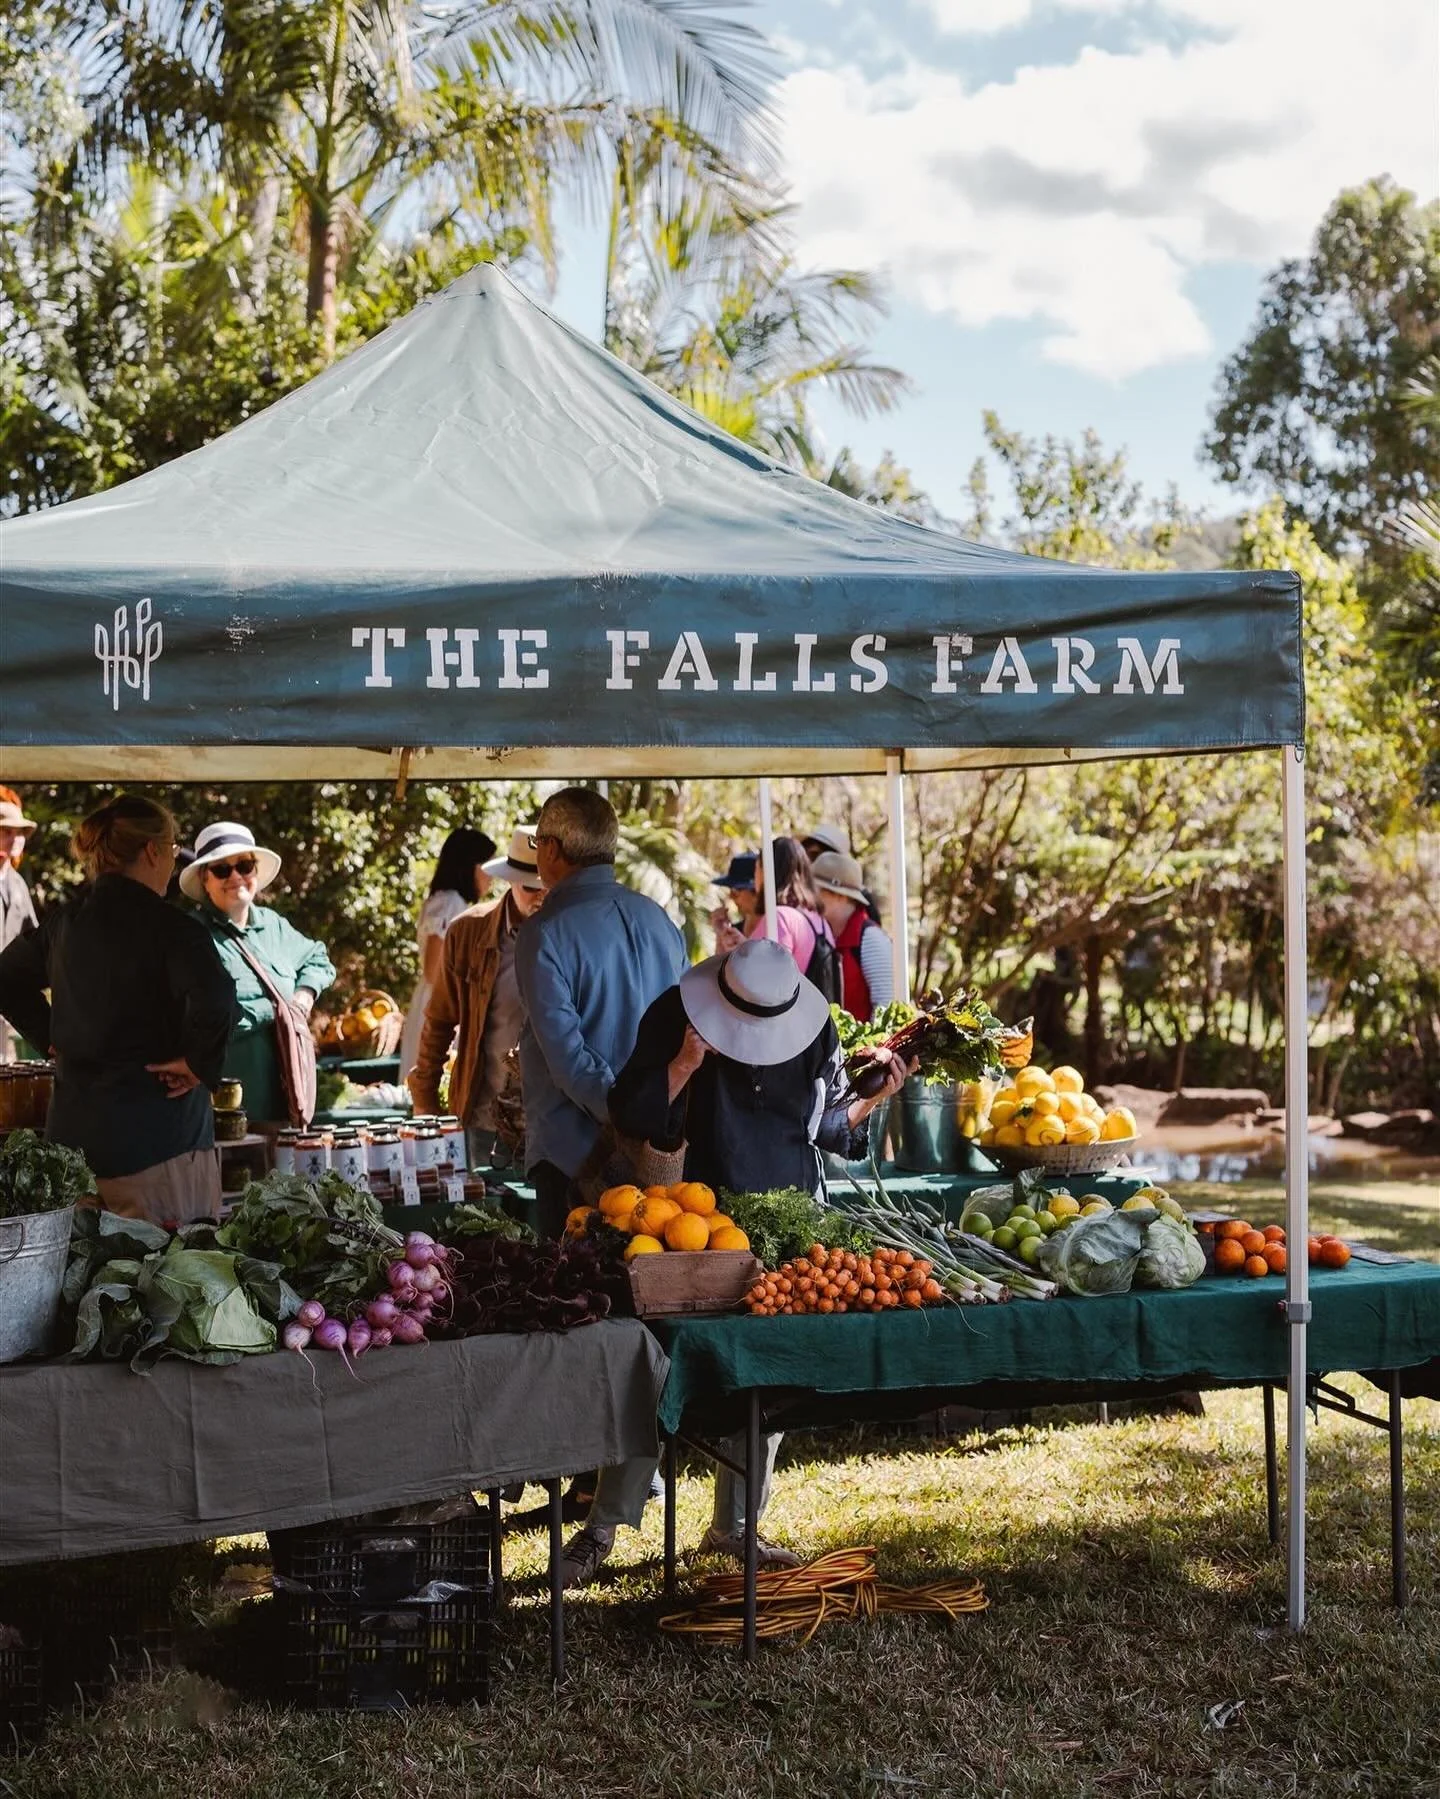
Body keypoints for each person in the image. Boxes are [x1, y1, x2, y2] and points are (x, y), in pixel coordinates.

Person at [560, 937, 912, 1585]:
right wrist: (685, 1062)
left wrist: (875, 1097)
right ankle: (601, 1526)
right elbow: (629, 1110)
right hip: (687, 1224)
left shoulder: (814, 1030)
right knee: (656, 1371)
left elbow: (829, 1129)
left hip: (787, 1224)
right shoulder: (675, 1013)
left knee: (765, 1380)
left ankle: (736, 1526)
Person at [0, 796, 237, 1224]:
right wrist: (197, 1062)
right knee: (166, 1283)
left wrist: (48, 1035)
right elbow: (218, 997)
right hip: (159, 1149)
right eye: (170, 848)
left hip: (71, 1154)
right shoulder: (174, 929)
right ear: (152, 851)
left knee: (77, 1287)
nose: (170, 861)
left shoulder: (64, 924)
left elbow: (5, 977)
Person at [514, 787, 685, 1237]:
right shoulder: (660, 920)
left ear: (551, 849)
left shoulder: (544, 932)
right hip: (656, 1147)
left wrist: (624, 1113)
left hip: (576, 1155)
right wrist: (647, 1113)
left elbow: (567, 1058)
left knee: (580, 1295)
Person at [407, 825, 546, 1167]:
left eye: (551, 886)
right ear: (510, 880)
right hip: (484, 1118)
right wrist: (425, 1097)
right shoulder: (468, 930)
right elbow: (439, 1020)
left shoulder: (573, 931)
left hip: (552, 1125)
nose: (542, 896)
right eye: (531, 887)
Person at [182, 822, 335, 1128]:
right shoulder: (192, 936)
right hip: (223, 1116)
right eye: (222, 870)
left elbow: (318, 958)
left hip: (286, 1108)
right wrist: (278, 1010)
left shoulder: (274, 925)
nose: (236, 876)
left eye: (244, 865)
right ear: (205, 879)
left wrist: (302, 997)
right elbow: (207, 1021)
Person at [398, 826, 497, 1084]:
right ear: (470, 866)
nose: (491, 878)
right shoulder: (450, 903)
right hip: (441, 1005)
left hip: (438, 1001)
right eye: (486, 867)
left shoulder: (450, 901)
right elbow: (434, 970)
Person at [714, 837, 835, 989]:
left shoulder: (779, 918)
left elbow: (766, 979)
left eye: (757, 868)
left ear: (765, 871)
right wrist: (744, 946)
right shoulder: (819, 921)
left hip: (786, 1011)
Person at [810, 851, 895, 1021]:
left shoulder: (870, 939)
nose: (809, 897)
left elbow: (885, 1006)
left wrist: (866, 1046)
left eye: (815, 890)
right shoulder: (820, 934)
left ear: (840, 895)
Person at [0, 790, 39, 1061]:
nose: (15, 839)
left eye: (20, 832)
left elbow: (35, 945)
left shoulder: (18, 885)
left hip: (6, 1011)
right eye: (6, 831)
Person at [708, 851, 758, 942]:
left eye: (735, 891)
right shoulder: (736, 931)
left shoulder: (774, 929)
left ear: (756, 891)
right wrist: (721, 934)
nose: (731, 896)